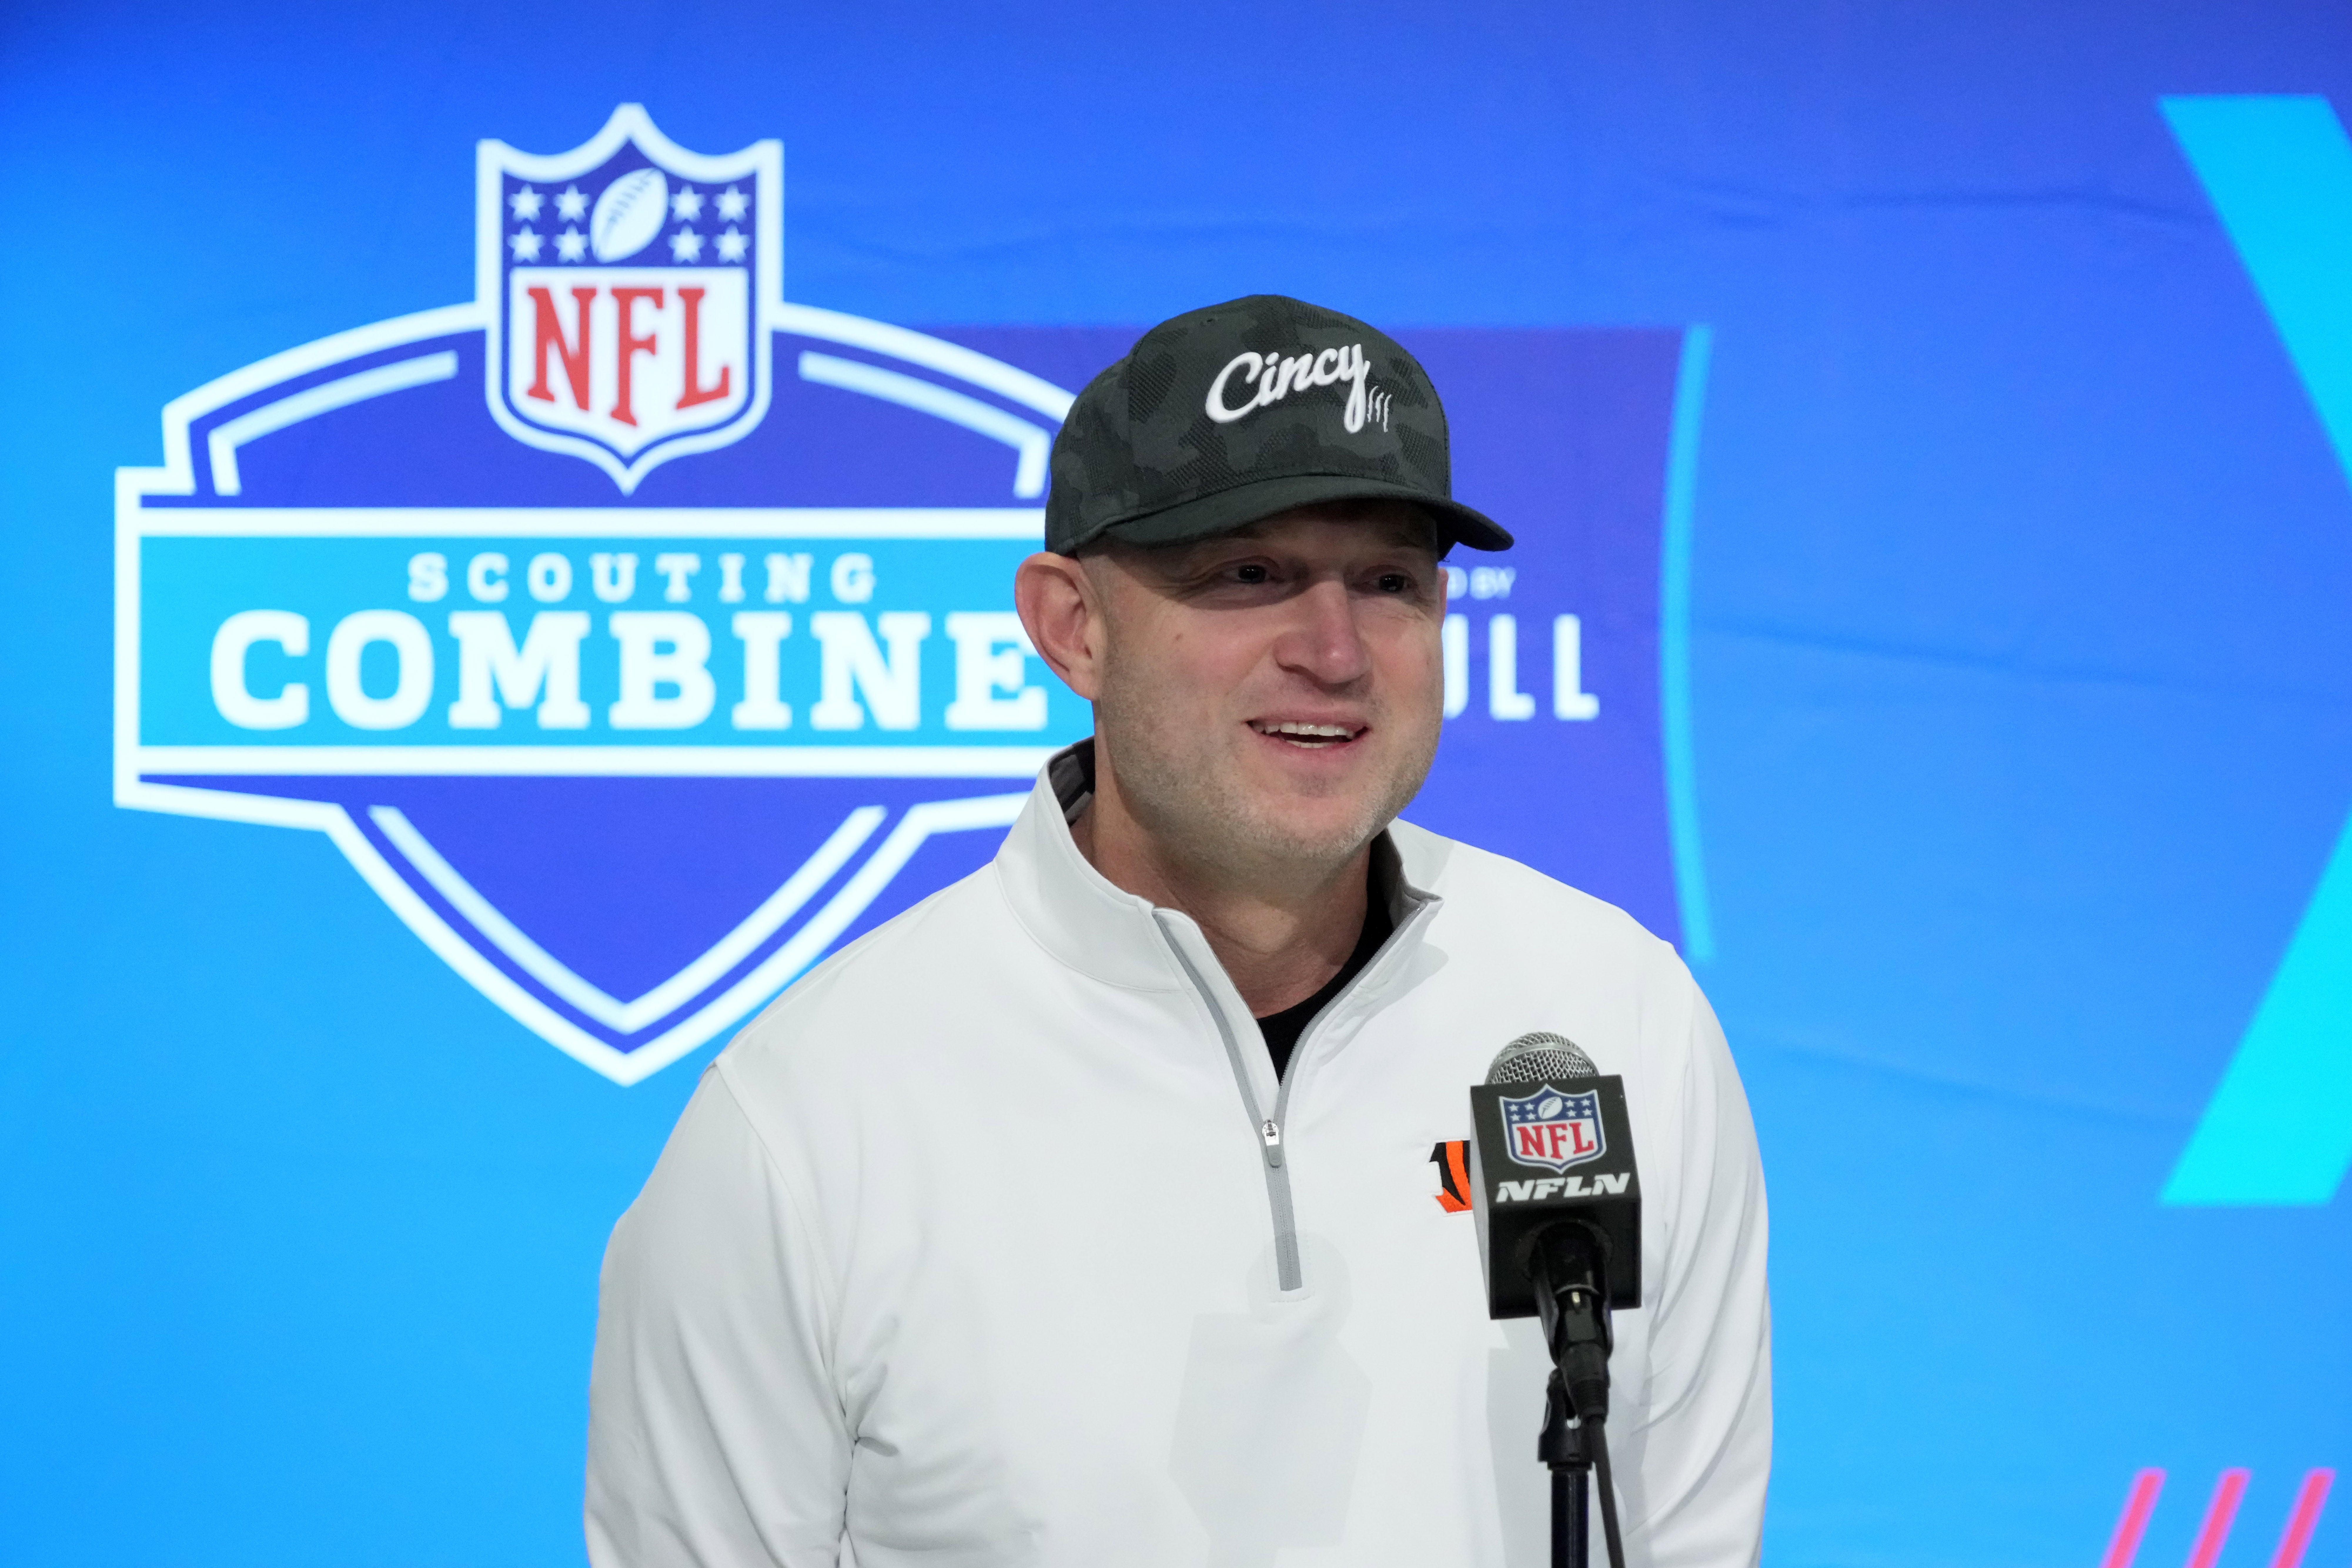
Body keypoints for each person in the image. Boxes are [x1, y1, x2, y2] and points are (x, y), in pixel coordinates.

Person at [586, 295, 1770, 1568]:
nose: (1333, 649)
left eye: (1388, 582)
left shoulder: (1614, 1018)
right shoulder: (809, 1118)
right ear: (1072, 625)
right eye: (1248, 573)